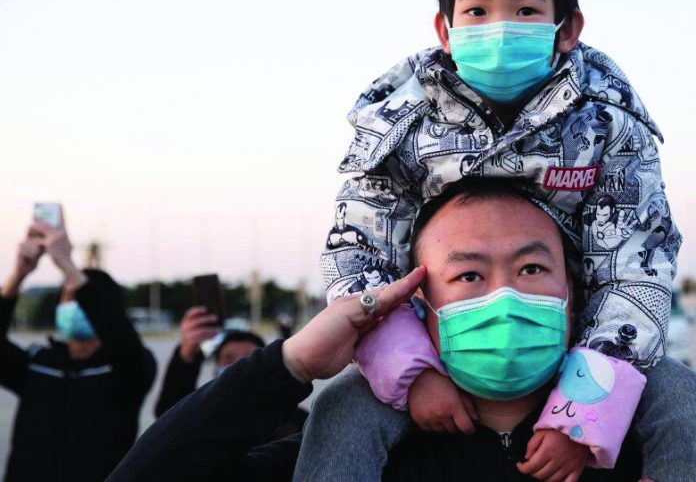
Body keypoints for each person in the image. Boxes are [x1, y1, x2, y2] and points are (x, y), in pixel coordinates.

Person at [316, 0, 681, 477]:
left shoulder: (608, 122)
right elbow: (358, 253)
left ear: (567, 28)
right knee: (342, 407)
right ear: (445, 30)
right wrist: (412, 370)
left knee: (679, 398)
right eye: (477, 9)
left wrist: (583, 414)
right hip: (439, 335)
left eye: (526, 8)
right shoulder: (398, 122)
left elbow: (638, 264)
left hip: (579, 338)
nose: (500, 25)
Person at [105, 180, 688, 482]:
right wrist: (291, 365)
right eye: (467, 274)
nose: (504, 295)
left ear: (575, 293)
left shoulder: (653, 450)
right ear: (419, 303)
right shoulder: (352, 453)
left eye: (532, 268)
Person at [0, 214, 156, 481]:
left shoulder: (127, 369)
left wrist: (68, 266)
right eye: (68, 297)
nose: (74, 304)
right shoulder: (39, 363)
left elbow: (123, 343)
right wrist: (18, 275)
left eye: (81, 297)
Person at [154, 307, 307, 438]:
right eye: (229, 359)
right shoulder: (202, 419)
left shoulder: (296, 423)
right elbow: (168, 418)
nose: (238, 367)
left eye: (249, 358)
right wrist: (186, 355)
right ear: (215, 371)